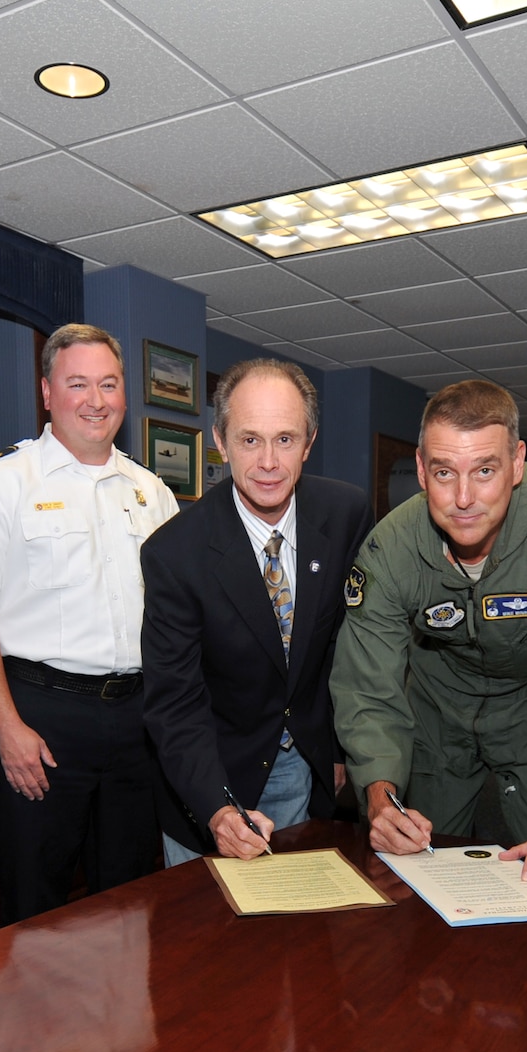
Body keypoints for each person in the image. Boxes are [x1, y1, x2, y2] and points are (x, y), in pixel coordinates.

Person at [332, 378, 527, 886]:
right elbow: (367, 685)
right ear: (420, 470)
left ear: (517, 463)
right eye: (443, 472)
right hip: (438, 708)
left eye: (484, 470)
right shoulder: (389, 550)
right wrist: (381, 797)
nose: (462, 498)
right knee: (419, 871)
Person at [0, 324, 177, 921]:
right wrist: (5, 728)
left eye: (108, 384)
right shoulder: (0, 484)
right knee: (35, 903)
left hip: (136, 720)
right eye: (77, 384)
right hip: (41, 718)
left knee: (128, 899)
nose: (96, 400)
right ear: (47, 392)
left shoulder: (152, 493)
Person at [141, 358, 372, 862]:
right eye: (250, 440)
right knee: (209, 937)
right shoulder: (174, 553)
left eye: (285, 439)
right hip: (210, 778)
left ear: (309, 443)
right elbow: (175, 704)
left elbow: (343, 643)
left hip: (307, 772)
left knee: (302, 933)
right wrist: (218, 809)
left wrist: (334, 749)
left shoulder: (346, 514)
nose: (268, 461)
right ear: (220, 441)